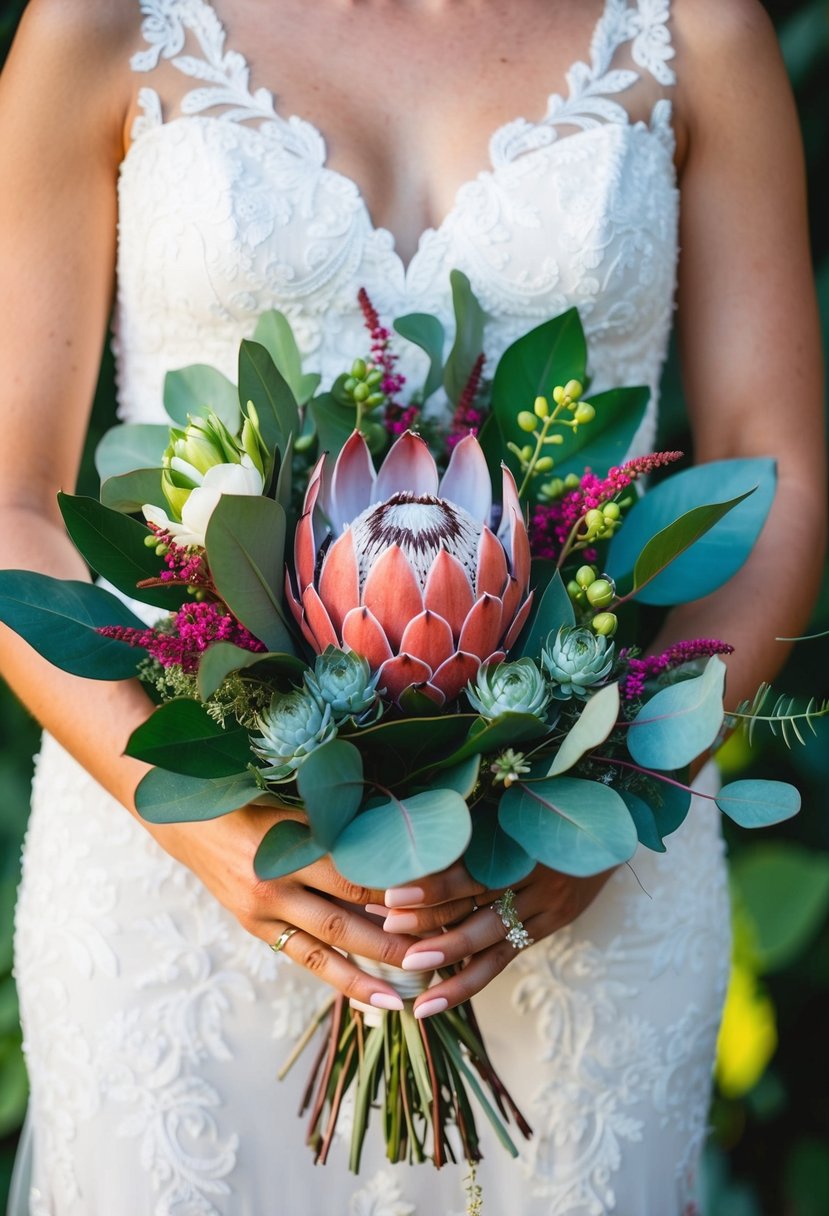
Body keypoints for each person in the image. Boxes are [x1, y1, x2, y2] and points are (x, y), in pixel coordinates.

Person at [0, 0, 824, 1213]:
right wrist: (201, 832)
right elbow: (12, 499)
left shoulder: (694, 29)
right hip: (176, 892)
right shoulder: (103, 21)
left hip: (578, 879)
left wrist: (633, 786)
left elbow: (778, 467)